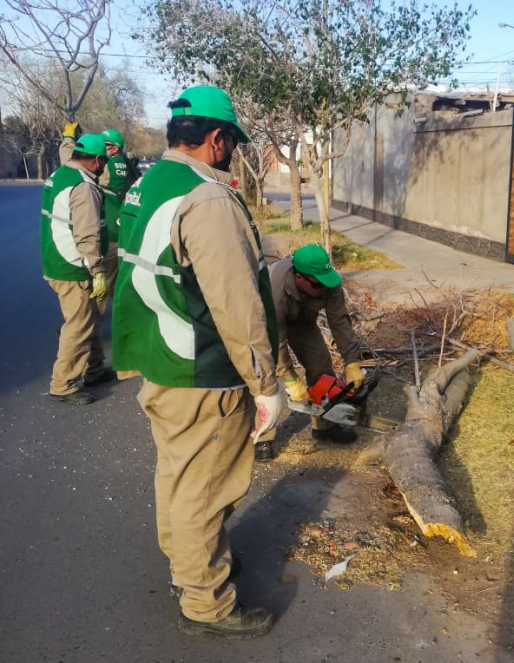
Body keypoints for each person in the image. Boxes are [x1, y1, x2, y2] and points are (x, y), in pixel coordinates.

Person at [111, 85, 284, 638]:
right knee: (206, 489)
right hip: (202, 371)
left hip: (163, 359)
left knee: (179, 477)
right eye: (231, 142)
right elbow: (235, 303)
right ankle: (206, 603)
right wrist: (265, 384)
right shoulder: (206, 199)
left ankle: (191, 570)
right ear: (215, 139)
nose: (232, 151)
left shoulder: (148, 185)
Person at [255, 243, 364, 461]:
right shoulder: (274, 290)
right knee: (265, 375)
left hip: (302, 320)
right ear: (299, 277)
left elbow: (339, 320)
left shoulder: (328, 282)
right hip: (264, 323)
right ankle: (263, 436)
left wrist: (352, 361)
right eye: (317, 285)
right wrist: (290, 378)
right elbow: (275, 340)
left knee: (321, 364)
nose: (323, 288)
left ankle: (324, 425)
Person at [41, 133, 114, 405]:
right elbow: (87, 234)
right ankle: (63, 383)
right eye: (103, 162)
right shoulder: (84, 187)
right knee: (79, 324)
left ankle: (94, 369)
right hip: (73, 267)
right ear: (95, 160)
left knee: (90, 316)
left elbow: (65, 149)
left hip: (56, 259)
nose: (104, 167)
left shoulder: (60, 173)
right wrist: (97, 270)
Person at [61, 123, 140, 305]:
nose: (103, 149)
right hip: (123, 233)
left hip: (110, 237)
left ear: (116, 148)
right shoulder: (127, 166)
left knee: (102, 288)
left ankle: (88, 325)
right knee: (116, 285)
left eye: (107, 145)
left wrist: (68, 139)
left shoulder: (106, 166)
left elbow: (72, 162)